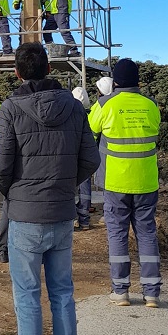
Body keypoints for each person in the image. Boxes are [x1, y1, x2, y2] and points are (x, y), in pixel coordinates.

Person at [0, 42, 100, 335]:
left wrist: (15, 193)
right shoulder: (74, 106)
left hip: (25, 214)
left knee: (27, 296)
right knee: (63, 293)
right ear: (50, 69)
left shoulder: (10, 108)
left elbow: (0, 165)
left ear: (17, 73)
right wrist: (65, 185)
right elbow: (91, 159)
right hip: (62, 213)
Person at [87, 58, 162, 309]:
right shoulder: (151, 105)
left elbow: (90, 131)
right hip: (146, 180)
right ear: (137, 79)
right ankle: (152, 293)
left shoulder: (105, 104)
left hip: (116, 181)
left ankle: (120, 291)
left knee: (118, 235)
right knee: (147, 234)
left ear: (115, 81)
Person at [71, 86, 92, 230]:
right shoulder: (92, 113)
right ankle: (84, 219)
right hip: (86, 156)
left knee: (71, 186)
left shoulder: (70, 115)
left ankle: (73, 218)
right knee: (85, 187)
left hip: (72, 156)